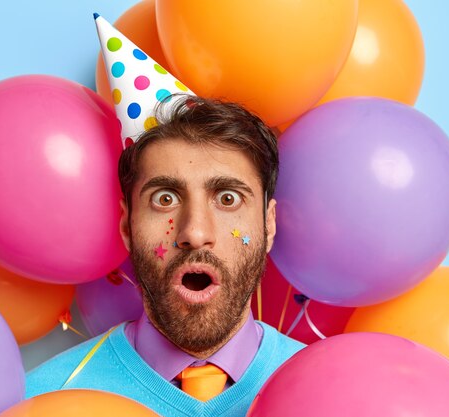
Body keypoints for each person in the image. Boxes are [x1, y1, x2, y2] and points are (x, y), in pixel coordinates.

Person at [25, 96, 304, 416]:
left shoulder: (330, 391)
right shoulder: (45, 400)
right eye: (165, 198)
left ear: (268, 224)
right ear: (127, 226)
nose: (195, 233)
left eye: (228, 198)